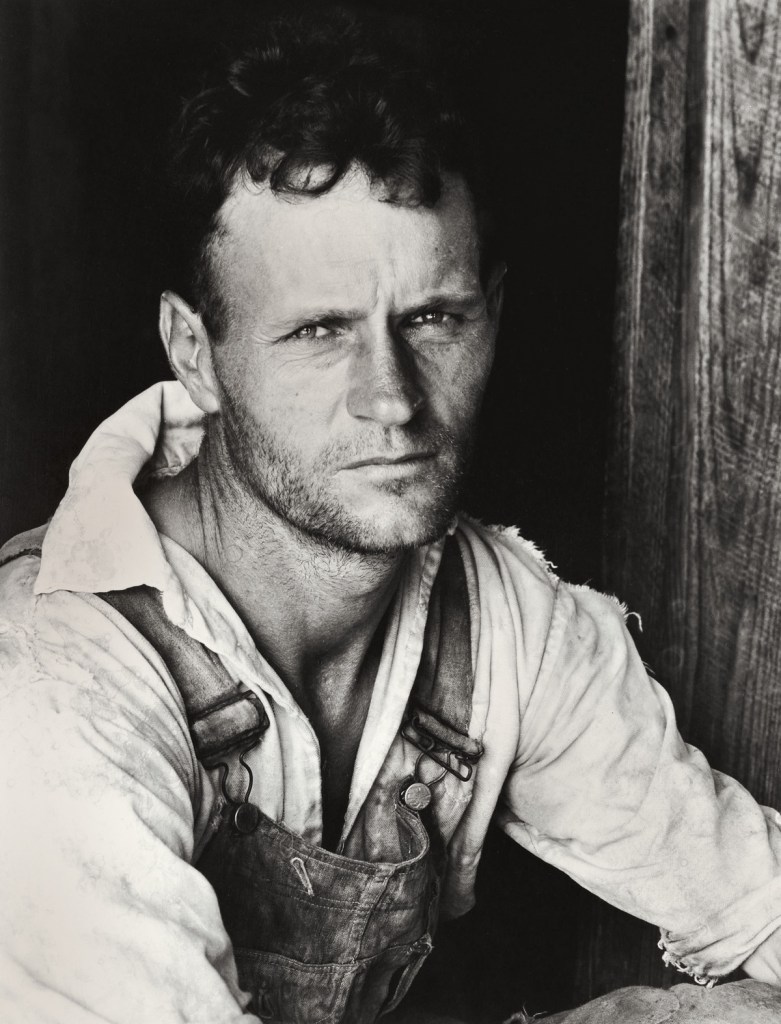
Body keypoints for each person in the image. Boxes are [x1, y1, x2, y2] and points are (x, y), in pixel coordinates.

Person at [2, 10, 781, 1024]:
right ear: (193, 350)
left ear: (490, 318)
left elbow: (755, 900)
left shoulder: (502, 622)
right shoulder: (52, 684)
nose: (393, 397)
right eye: (319, 331)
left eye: (431, 319)